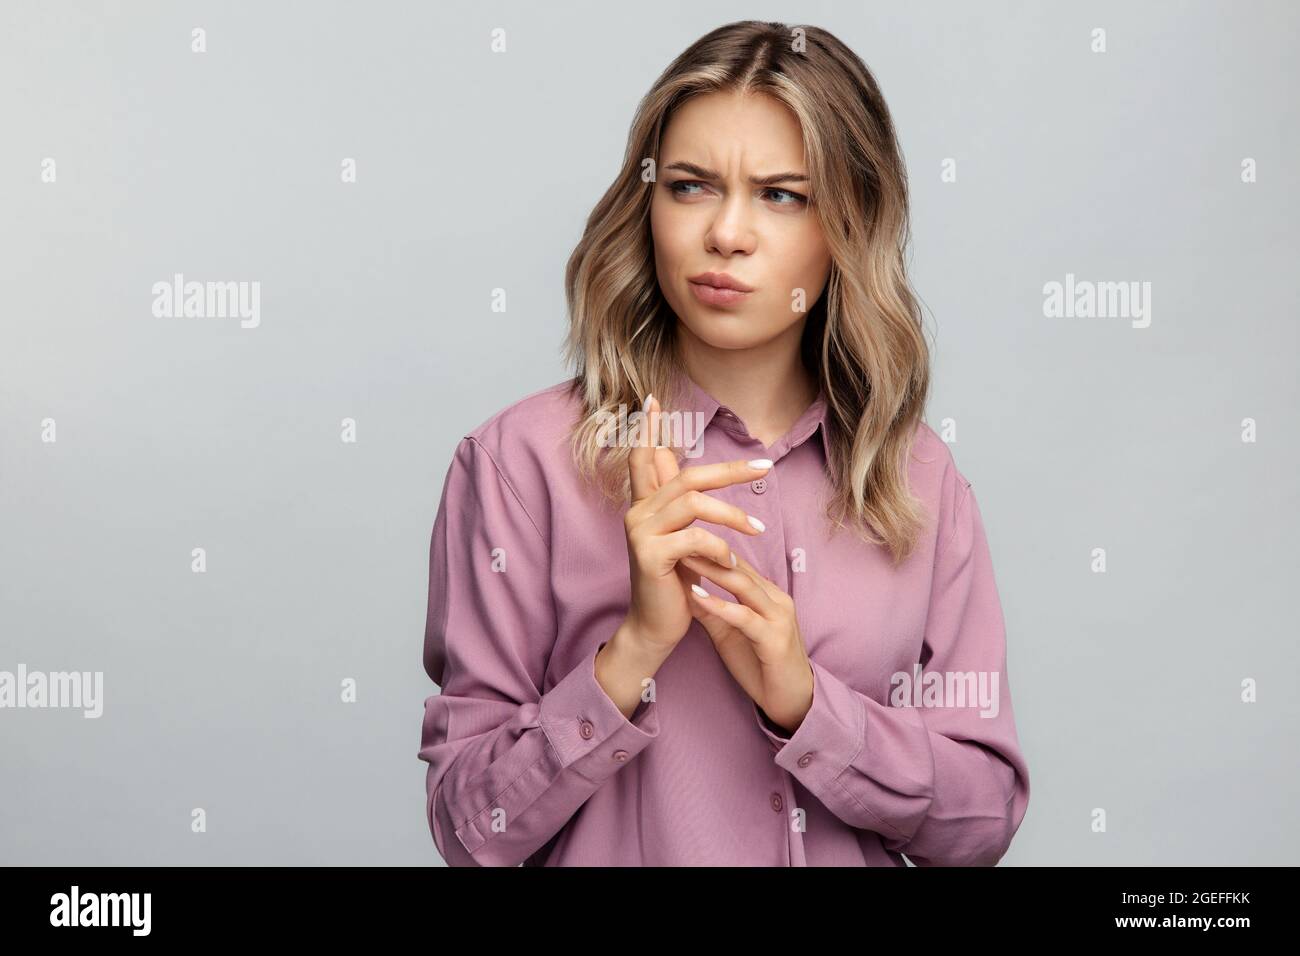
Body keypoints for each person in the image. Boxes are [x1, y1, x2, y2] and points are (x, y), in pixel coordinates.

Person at [417, 19, 1030, 866]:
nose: (727, 235)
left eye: (782, 194)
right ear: (649, 202)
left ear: (848, 222)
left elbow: (982, 821)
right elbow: (465, 829)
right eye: (691, 186)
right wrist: (630, 654)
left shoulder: (918, 476)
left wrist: (810, 707)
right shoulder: (519, 465)